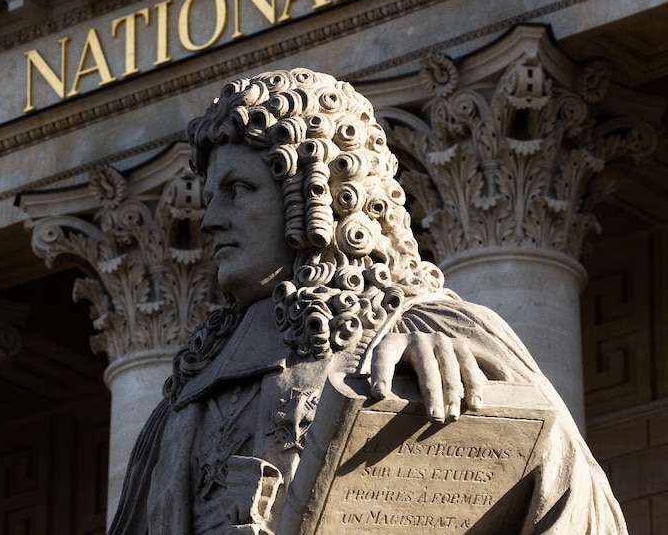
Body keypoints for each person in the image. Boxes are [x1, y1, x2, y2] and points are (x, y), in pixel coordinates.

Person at [109, 68, 626, 533]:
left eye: (238, 189)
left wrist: (473, 400)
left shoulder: (438, 331)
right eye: (211, 196)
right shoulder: (186, 398)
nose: (211, 219)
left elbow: (581, 511)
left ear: (317, 194)